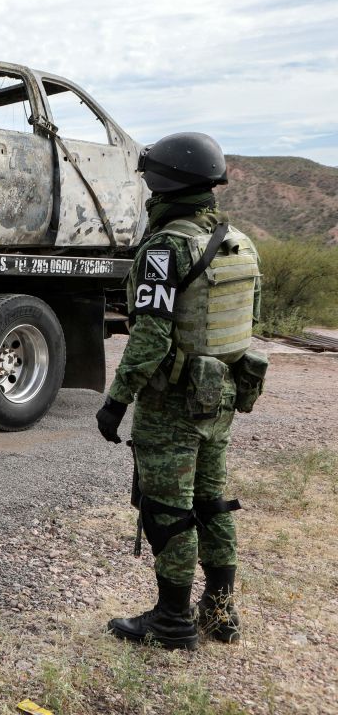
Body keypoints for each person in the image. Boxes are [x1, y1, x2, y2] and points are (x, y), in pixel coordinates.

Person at [95, 132, 268, 650]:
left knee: (168, 508)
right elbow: (248, 319)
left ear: (163, 185)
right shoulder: (240, 240)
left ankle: (172, 621)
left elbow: (150, 335)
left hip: (172, 402)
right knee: (212, 502)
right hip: (219, 396)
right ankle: (219, 612)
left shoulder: (166, 247)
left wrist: (116, 401)